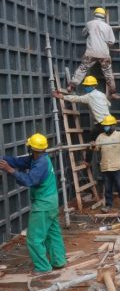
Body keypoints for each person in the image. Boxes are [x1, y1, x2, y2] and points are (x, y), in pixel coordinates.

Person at [0, 133, 67, 275]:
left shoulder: (40, 164)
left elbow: (30, 181)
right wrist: (4, 160)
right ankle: (59, 260)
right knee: (52, 233)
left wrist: (10, 170)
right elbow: (18, 161)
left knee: (34, 238)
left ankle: (43, 268)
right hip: (51, 202)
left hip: (43, 204)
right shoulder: (38, 158)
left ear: (33, 148)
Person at [53, 75, 111, 165]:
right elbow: (109, 104)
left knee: (91, 142)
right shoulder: (102, 94)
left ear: (93, 86)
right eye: (86, 86)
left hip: (101, 123)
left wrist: (62, 97)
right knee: (110, 142)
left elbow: (76, 98)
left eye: (87, 86)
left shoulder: (90, 96)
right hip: (110, 122)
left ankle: (87, 161)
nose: (86, 88)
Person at [68, 7, 116, 94]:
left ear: (94, 14)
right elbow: (111, 42)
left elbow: (83, 34)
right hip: (104, 53)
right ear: (104, 16)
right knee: (108, 72)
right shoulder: (108, 27)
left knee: (83, 69)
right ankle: (112, 91)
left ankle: (71, 86)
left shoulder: (89, 24)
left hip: (91, 53)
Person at [95, 115, 120, 213]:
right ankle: (108, 205)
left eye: (108, 126)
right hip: (105, 167)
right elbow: (96, 148)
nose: (106, 127)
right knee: (108, 189)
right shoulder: (100, 137)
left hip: (117, 167)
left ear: (113, 126)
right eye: (105, 126)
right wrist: (91, 146)